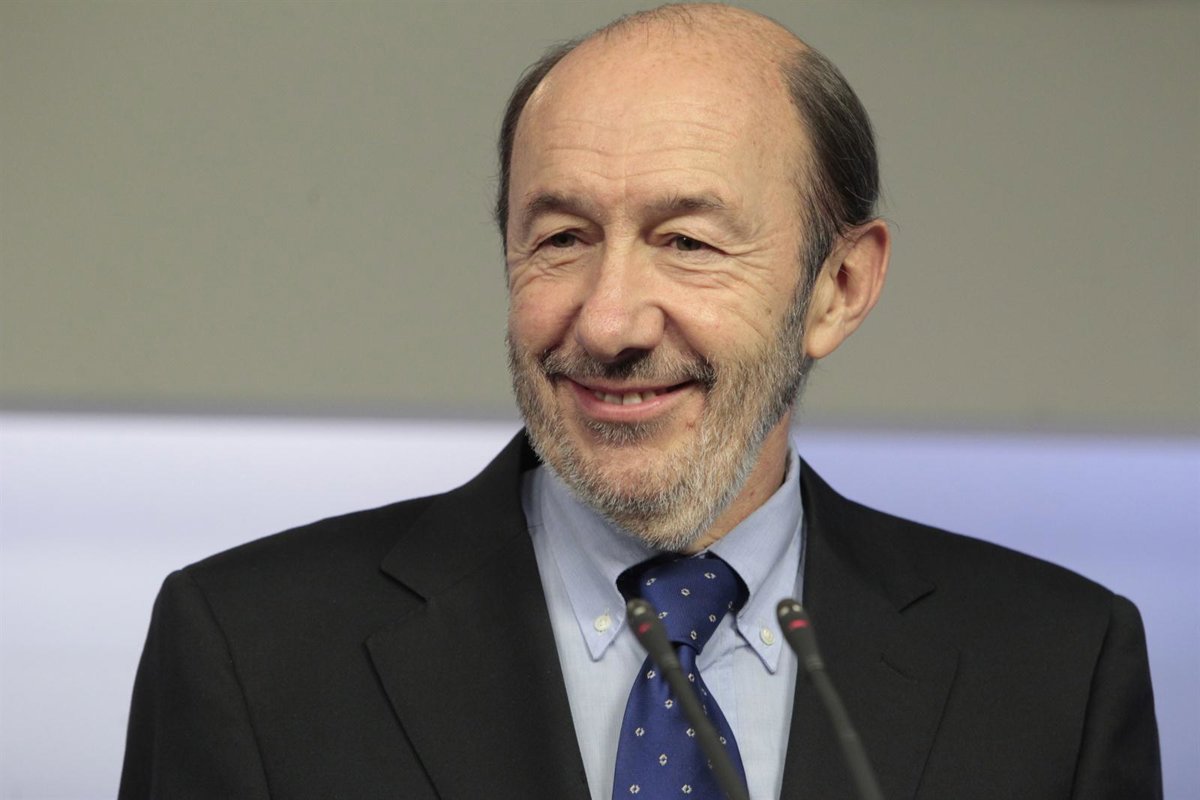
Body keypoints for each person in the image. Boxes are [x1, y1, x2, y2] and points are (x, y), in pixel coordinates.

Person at [119, 4, 1161, 799]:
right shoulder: (250, 650)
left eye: (688, 241)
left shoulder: (1055, 668)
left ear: (838, 288)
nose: (610, 320)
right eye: (562, 237)